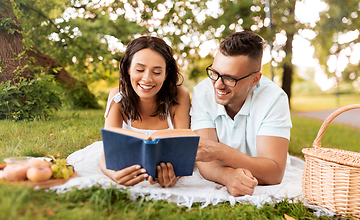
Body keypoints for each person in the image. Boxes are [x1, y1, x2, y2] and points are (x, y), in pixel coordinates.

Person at [190, 31, 292, 197]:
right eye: (215, 73)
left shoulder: (274, 99)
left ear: (255, 80)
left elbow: (274, 173)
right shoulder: (202, 93)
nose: (218, 85)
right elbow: (204, 158)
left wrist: (220, 151)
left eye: (230, 78)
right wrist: (227, 176)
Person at [100, 36, 191, 187]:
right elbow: (107, 150)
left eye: (156, 72)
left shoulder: (180, 95)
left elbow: (184, 151)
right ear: (128, 68)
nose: (147, 79)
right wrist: (114, 174)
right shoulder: (117, 97)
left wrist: (175, 174)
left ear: (166, 73)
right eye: (140, 70)